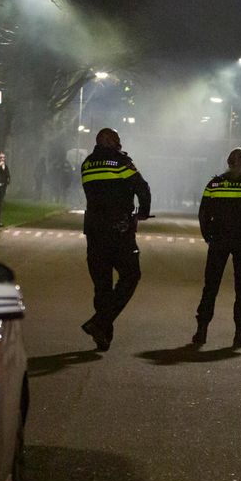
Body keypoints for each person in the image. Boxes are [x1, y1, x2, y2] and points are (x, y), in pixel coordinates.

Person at [80, 127, 151, 351]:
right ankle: (100, 323)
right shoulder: (121, 162)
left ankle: (103, 336)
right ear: (114, 142)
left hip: (94, 231)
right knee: (131, 275)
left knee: (102, 286)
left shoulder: (87, 164)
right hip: (120, 231)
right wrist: (144, 212)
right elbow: (142, 187)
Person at [192, 148, 241, 348]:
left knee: (211, 286)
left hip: (219, 241)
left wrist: (208, 235)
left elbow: (203, 213)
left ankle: (202, 330)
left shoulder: (214, 184)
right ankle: (239, 334)